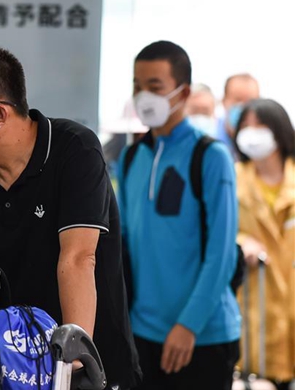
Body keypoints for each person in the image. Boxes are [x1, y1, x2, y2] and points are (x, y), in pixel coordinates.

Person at [0, 43, 141, 390]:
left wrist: (74, 359)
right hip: (6, 360)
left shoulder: (74, 150)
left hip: (86, 357)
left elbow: (78, 258)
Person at [116, 40, 241, 390]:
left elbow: (222, 253)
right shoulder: (130, 158)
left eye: (154, 87)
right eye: (137, 86)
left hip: (204, 334)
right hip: (143, 330)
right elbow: (124, 244)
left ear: (182, 92)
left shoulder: (210, 157)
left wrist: (190, 324)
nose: (143, 96)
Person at [234, 98, 295, 390]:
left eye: (260, 125)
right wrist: (242, 242)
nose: (251, 132)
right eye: (245, 125)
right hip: (253, 297)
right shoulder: (233, 178)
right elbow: (218, 231)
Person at [215, 73, 260, 156]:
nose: (244, 106)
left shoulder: (264, 142)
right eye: (238, 99)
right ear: (224, 101)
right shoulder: (210, 137)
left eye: (251, 101)